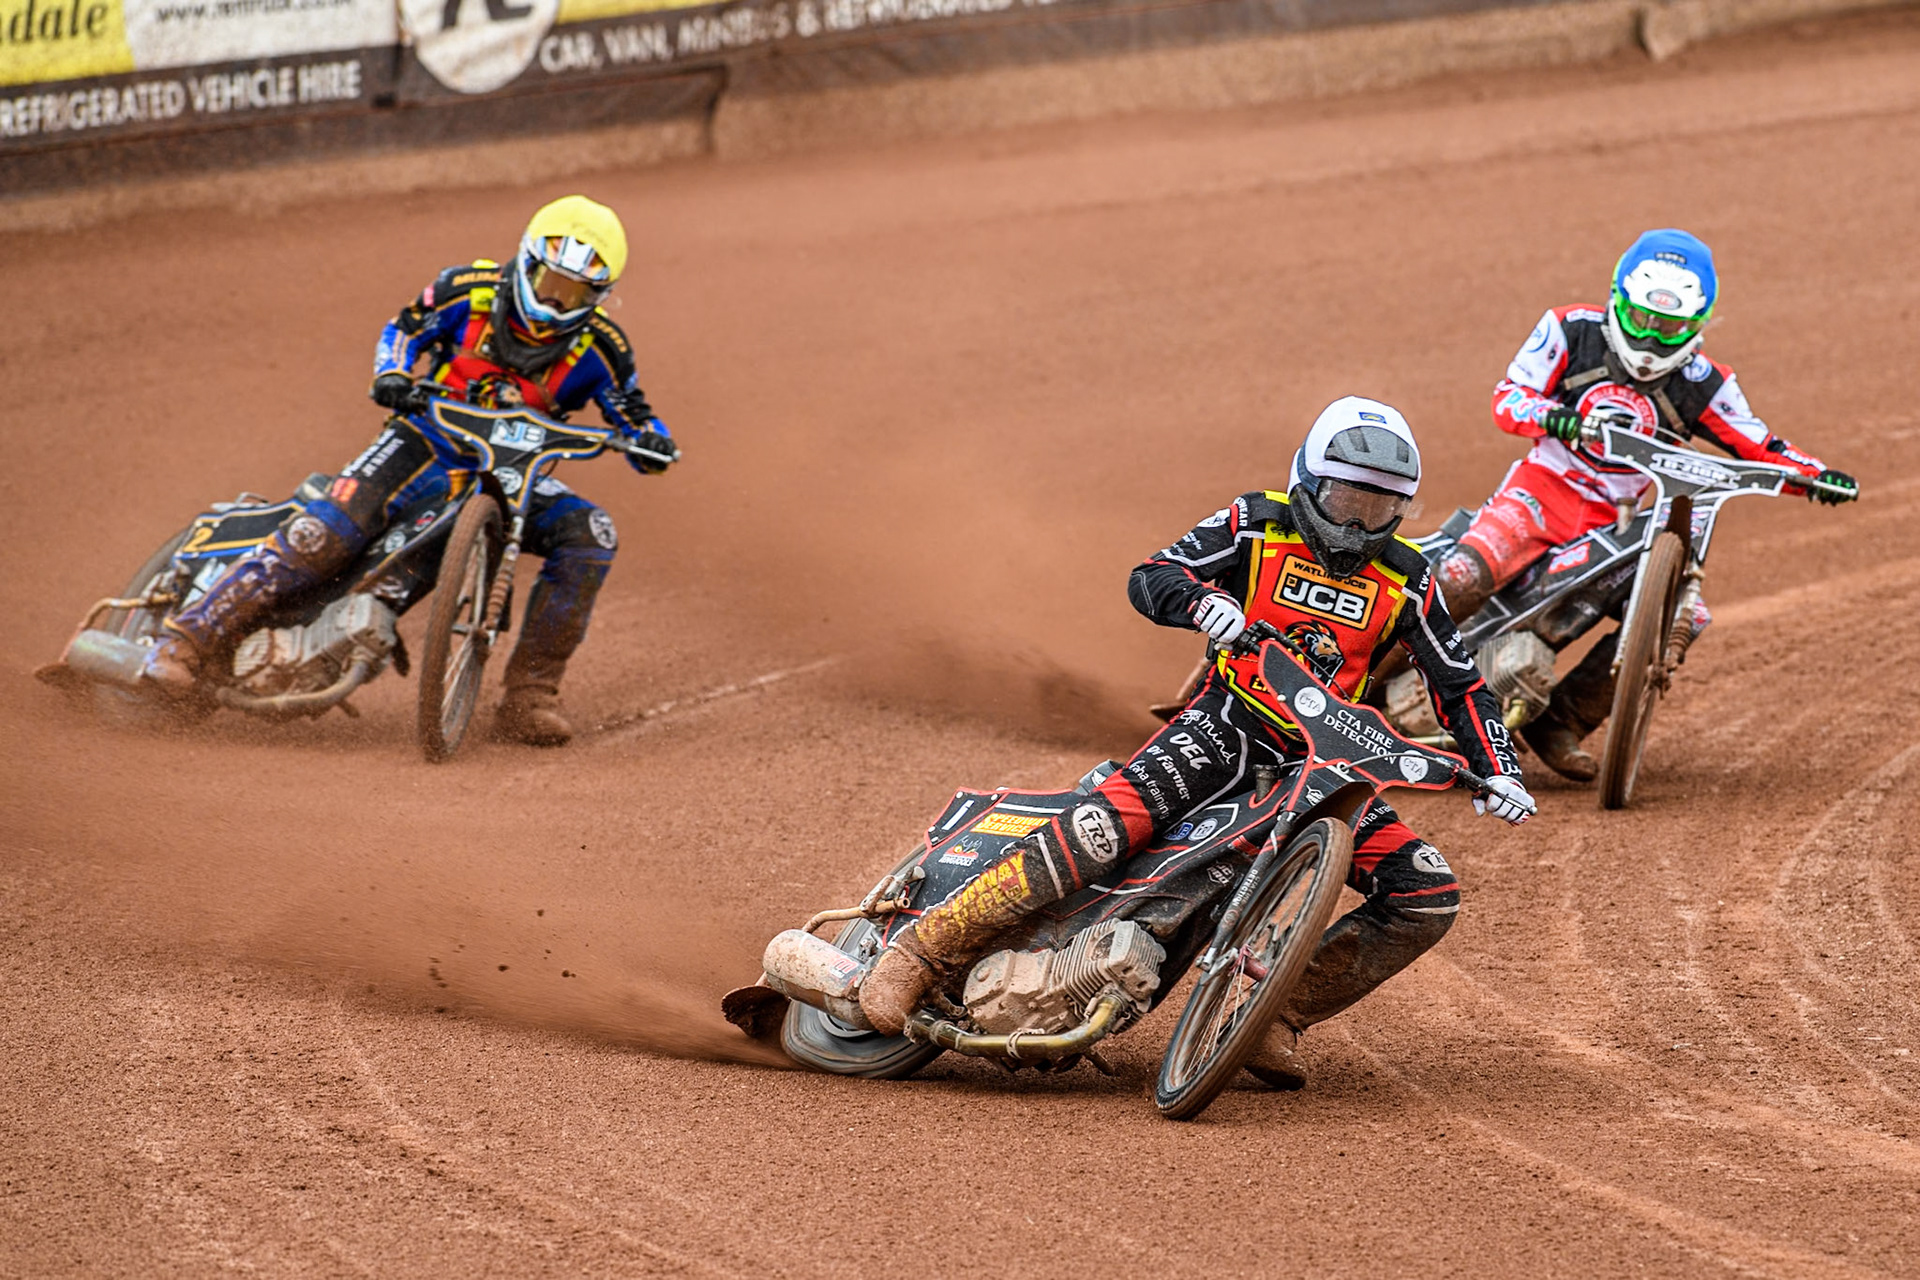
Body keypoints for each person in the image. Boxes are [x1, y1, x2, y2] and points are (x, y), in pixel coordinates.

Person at [858, 397, 1534, 1080]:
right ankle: (923, 949)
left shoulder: (1410, 576)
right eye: (1346, 498)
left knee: (1426, 894)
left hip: (1327, 760)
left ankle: (1276, 1016)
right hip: (1227, 723)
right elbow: (1152, 575)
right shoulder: (1254, 522)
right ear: (1308, 481)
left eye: (1381, 507)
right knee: (1103, 829)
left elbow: (1459, 684)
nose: (1360, 523)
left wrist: (1499, 766)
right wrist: (1202, 604)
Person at [141, 194, 678, 746]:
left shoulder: (603, 348)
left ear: (602, 294)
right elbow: (402, 330)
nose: (557, 300)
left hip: (519, 473)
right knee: (326, 529)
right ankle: (187, 640)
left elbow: (633, 412)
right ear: (527, 260)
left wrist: (651, 443)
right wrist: (392, 373)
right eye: (550, 282)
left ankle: (530, 696)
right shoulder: (466, 291)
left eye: (577, 292)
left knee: (593, 533)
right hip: (424, 441)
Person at [1433, 228, 1855, 780]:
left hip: (1625, 519)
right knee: (1463, 576)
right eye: (1642, 320)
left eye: (1671, 327)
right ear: (1617, 299)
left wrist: (1816, 476)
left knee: (1686, 612)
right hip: (1541, 491)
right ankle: (1367, 683)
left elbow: (1762, 446)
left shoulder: (1707, 384)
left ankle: (1560, 721)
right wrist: (1555, 417)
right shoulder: (1569, 329)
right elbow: (1508, 397)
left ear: (1698, 326)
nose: (1653, 339)